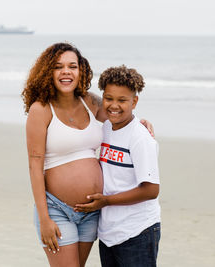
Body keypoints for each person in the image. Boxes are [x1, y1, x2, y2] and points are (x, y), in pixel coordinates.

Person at [22, 43, 154, 267]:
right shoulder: (41, 109)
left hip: (92, 212)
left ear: (80, 71)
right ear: (48, 72)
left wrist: (141, 123)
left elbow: (119, 113)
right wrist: (44, 219)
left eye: (72, 66)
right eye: (58, 66)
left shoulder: (90, 101)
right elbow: (35, 166)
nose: (66, 71)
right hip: (57, 209)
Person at [74, 65, 161, 267]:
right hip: (108, 232)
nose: (114, 105)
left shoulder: (140, 138)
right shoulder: (106, 128)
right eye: (109, 98)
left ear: (134, 101)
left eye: (122, 100)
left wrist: (106, 201)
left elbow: (151, 190)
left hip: (137, 231)